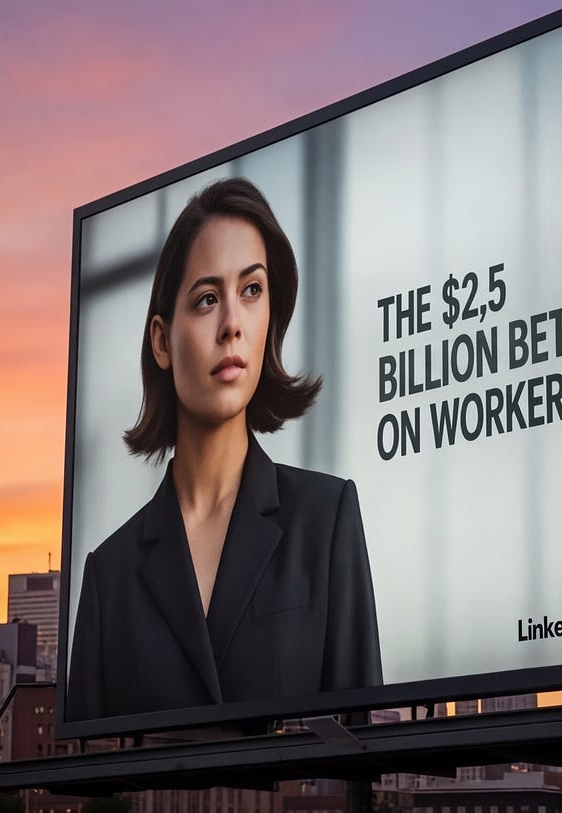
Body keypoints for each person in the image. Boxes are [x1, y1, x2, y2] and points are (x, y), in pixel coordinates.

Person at [67, 177, 382, 723]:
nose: (232, 325)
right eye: (208, 299)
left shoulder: (326, 519)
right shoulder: (107, 576)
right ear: (162, 341)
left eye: (252, 291)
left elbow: (362, 761)